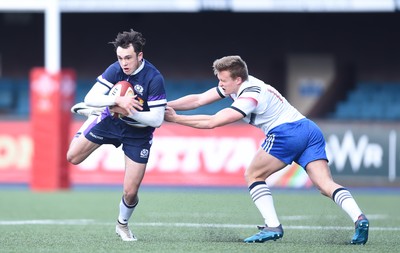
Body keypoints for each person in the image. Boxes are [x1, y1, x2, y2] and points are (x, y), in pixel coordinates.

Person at [164, 55, 369, 244]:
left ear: (237, 79)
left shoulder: (250, 97)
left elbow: (213, 122)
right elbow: (198, 100)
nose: (220, 84)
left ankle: (273, 226)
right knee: (325, 184)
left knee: (253, 174)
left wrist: (175, 119)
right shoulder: (239, 85)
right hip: (309, 129)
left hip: (286, 133)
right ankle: (359, 218)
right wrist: (163, 104)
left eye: (223, 80)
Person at [67, 29, 167, 241]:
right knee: (72, 157)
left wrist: (127, 110)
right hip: (110, 121)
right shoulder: (115, 69)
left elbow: (157, 120)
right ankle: (93, 117)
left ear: (140, 56)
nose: (124, 63)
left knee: (130, 192)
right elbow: (90, 96)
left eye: (128, 57)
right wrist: (117, 102)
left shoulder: (154, 78)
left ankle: (122, 225)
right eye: (120, 58)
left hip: (138, 134)